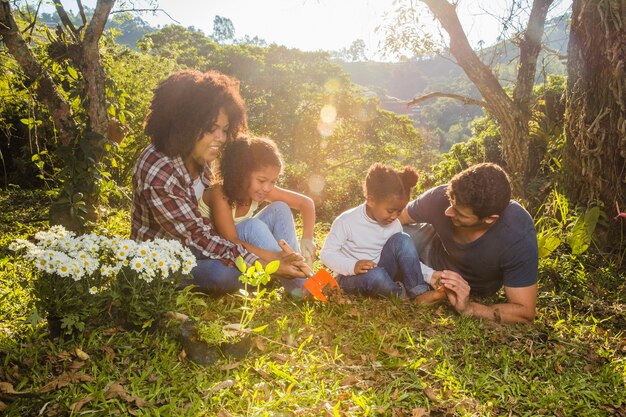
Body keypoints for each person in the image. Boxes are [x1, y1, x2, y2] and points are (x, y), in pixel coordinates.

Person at [131, 70, 306, 295]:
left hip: (208, 244)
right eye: (212, 129)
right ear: (185, 123)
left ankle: (297, 279)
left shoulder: (200, 155)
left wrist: (275, 257)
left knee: (250, 240)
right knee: (222, 274)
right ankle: (284, 278)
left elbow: (212, 235)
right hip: (170, 259)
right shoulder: (159, 170)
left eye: (224, 130)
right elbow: (198, 238)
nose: (221, 138)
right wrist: (270, 261)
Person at [399, 162, 538, 324]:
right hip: (429, 247)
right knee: (393, 234)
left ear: (489, 219)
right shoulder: (439, 197)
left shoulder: (517, 234)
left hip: (472, 284)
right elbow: (397, 217)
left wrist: (469, 308)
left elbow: (525, 312)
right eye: (451, 202)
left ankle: (413, 279)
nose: (447, 212)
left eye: (459, 212)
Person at [200, 135, 316, 280]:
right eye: (261, 180)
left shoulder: (260, 189)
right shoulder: (220, 193)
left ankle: (300, 270)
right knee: (252, 225)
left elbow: (305, 203)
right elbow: (231, 240)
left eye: (273, 181)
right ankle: (301, 282)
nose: (267, 188)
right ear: (241, 174)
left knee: (280, 208)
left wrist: (307, 238)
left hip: (246, 249)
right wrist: (277, 257)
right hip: (219, 250)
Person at [320, 163, 441, 301]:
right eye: (390, 210)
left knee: (403, 240)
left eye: (400, 210)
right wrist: (353, 266)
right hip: (351, 277)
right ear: (371, 200)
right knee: (376, 275)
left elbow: (407, 257)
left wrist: (431, 275)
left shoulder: (394, 224)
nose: (395, 216)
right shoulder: (346, 221)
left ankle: (419, 292)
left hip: (383, 270)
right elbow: (327, 254)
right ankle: (400, 294)